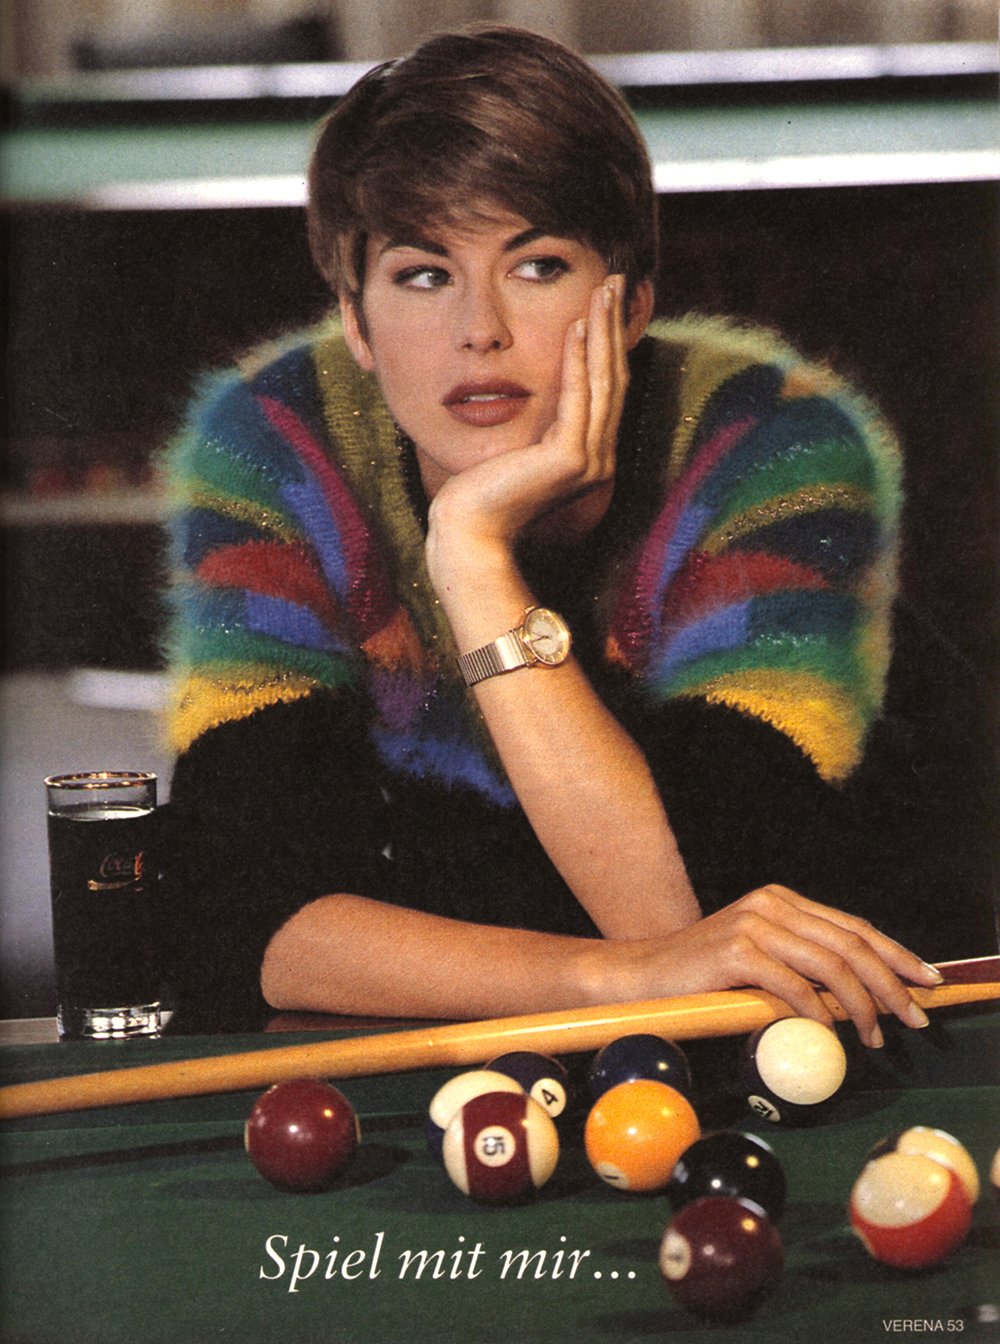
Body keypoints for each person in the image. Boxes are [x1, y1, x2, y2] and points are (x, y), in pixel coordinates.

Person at [162, 25, 942, 1041]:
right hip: (464, 1062)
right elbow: (233, 916)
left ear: (629, 305)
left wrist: (472, 557)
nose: (479, 329)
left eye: (536, 265)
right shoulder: (279, 439)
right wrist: (614, 979)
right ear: (356, 320)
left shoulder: (772, 443)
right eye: (424, 274)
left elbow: (704, 923)